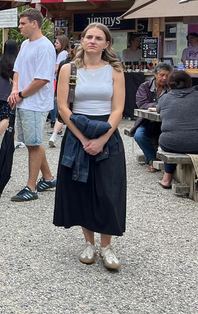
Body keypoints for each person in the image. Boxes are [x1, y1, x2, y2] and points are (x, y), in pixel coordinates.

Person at [53, 23, 126, 270]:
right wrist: (83, 140)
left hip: (107, 131)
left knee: (108, 190)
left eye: (98, 38)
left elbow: (118, 109)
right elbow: (63, 107)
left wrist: (103, 138)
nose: (93, 41)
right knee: (81, 188)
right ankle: (89, 242)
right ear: (81, 41)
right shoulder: (68, 69)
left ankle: (107, 245)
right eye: (88, 37)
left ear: (107, 44)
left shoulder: (115, 70)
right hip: (77, 131)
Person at [8, 9, 57, 201]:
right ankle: (48, 177)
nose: (19, 26)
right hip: (23, 100)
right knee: (31, 142)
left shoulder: (45, 47)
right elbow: (17, 69)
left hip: (36, 103)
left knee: (34, 143)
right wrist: (14, 90)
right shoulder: (25, 44)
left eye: (23, 23)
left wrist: (20, 93)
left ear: (34, 23)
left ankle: (31, 187)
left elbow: (43, 79)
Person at [157, 70, 198, 188]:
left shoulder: (164, 98)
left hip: (172, 144)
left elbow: (158, 110)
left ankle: (167, 178)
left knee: (171, 136)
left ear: (169, 84)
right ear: (190, 82)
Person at [132, 62, 173, 171]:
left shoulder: (171, 88)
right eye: (162, 75)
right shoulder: (145, 87)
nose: (164, 78)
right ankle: (153, 159)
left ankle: (170, 163)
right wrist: (158, 106)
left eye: (167, 76)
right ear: (155, 74)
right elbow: (141, 103)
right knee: (139, 136)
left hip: (166, 123)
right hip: (147, 121)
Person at [0, 39, 20, 151]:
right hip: (10, 93)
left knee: (6, 116)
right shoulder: (16, 62)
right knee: (8, 118)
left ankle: (14, 141)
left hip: (0, 93)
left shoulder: (1, 61)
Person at [48, 44, 78, 147]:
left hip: (67, 91)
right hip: (72, 92)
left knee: (61, 115)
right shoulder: (68, 64)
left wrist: (57, 93)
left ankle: (54, 135)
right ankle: (57, 135)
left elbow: (59, 79)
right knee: (66, 114)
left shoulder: (64, 62)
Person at [49, 35, 71, 127]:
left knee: (54, 100)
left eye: (57, 43)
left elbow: (57, 68)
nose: (55, 44)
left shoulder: (62, 54)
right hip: (58, 79)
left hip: (56, 79)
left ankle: (54, 120)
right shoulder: (63, 53)